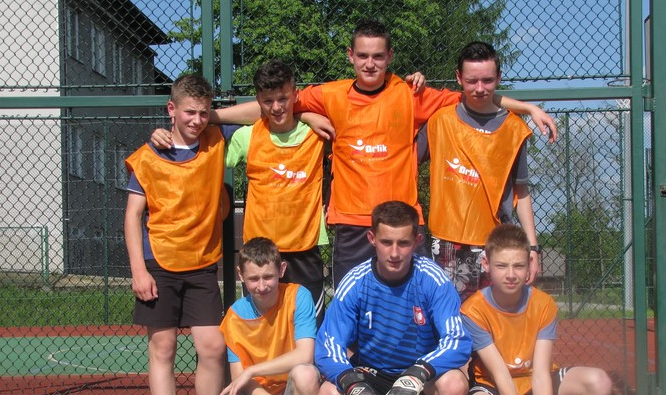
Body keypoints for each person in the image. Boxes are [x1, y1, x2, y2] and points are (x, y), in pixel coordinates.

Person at [207, 20, 557, 287]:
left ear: (390, 57)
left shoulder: (410, 94)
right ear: (350, 56)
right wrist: (214, 116)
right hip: (351, 224)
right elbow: (272, 106)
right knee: (353, 312)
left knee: (412, 312)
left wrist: (528, 108)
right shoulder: (330, 95)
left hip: (402, 223)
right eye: (363, 55)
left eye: (378, 56)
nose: (370, 63)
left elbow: (475, 96)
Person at [152, 61, 329, 322]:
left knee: (309, 330)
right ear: (258, 101)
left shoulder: (317, 133)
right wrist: (163, 135)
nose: (276, 107)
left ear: (295, 95)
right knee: (261, 330)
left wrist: (307, 116)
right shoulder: (248, 136)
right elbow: (194, 146)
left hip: (305, 247)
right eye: (268, 101)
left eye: (283, 99)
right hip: (259, 252)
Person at [124, 74, 241, 395]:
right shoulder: (147, 156)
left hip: (202, 264)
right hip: (158, 264)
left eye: (203, 113)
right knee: (164, 349)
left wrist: (216, 116)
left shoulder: (215, 138)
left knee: (212, 348)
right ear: (171, 109)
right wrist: (138, 271)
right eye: (190, 112)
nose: (197, 120)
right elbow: (132, 216)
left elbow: (261, 111)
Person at [314, 201, 472, 395]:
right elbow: (329, 345)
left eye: (403, 243)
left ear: (417, 241)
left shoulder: (433, 279)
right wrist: (350, 382)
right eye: (386, 242)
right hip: (373, 376)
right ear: (372, 239)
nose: (395, 253)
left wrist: (419, 372)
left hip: (421, 379)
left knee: (455, 384)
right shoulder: (355, 281)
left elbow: (457, 340)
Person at [460, 224, 613, 395]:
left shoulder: (543, 304)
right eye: (501, 266)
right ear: (486, 264)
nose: (511, 274)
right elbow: (501, 375)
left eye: (518, 266)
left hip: (534, 386)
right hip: (496, 389)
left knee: (599, 383)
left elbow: (541, 374)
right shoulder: (473, 310)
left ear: (530, 265)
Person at [418, 41, 542, 301]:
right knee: (450, 320)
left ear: (499, 77)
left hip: (496, 243)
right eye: (472, 81)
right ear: (459, 78)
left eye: (487, 80)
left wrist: (532, 247)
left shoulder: (514, 129)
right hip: (447, 242)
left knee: (497, 321)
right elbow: (403, 161)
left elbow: (521, 191)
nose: (480, 89)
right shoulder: (439, 121)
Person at [205, 237, 323, 395]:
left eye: (268, 277)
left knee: (306, 373)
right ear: (241, 275)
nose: (261, 286)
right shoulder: (234, 316)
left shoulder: (298, 296)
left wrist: (252, 370)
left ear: (281, 270)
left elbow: (305, 354)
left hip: (293, 391)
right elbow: (240, 378)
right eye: (253, 279)